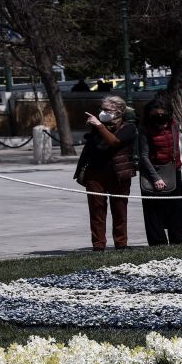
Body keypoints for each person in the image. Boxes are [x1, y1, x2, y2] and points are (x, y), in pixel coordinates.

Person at [74, 96, 136, 251]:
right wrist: (97, 126)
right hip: (95, 173)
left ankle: (121, 243)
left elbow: (114, 142)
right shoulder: (98, 127)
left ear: (119, 111)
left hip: (119, 174)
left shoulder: (128, 127)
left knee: (119, 209)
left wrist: (99, 126)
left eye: (107, 110)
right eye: (102, 109)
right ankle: (98, 244)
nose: (103, 113)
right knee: (96, 209)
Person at [137, 97, 182, 246]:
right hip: (152, 170)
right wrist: (155, 178)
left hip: (173, 169)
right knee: (153, 209)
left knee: (175, 207)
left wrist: (178, 164)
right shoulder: (145, 129)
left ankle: (177, 239)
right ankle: (157, 241)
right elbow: (144, 156)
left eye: (163, 114)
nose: (160, 117)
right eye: (156, 114)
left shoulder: (173, 125)